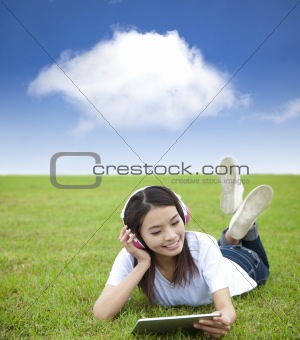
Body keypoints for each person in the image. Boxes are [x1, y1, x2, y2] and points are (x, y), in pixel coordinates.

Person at [93, 157, 273, 338]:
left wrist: (224, 320)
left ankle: (244, 229)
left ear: (184, 216)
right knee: (216, 248)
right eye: (156, 232)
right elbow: (101, 313)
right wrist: (141, 264)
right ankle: (232, 234)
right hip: (215, 255)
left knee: (262, 264)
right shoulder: (130, 256)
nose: (171, 236)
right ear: (137, 238)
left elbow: (226, 308)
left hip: (243, 264)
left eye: (174, 222)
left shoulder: (202, 244)